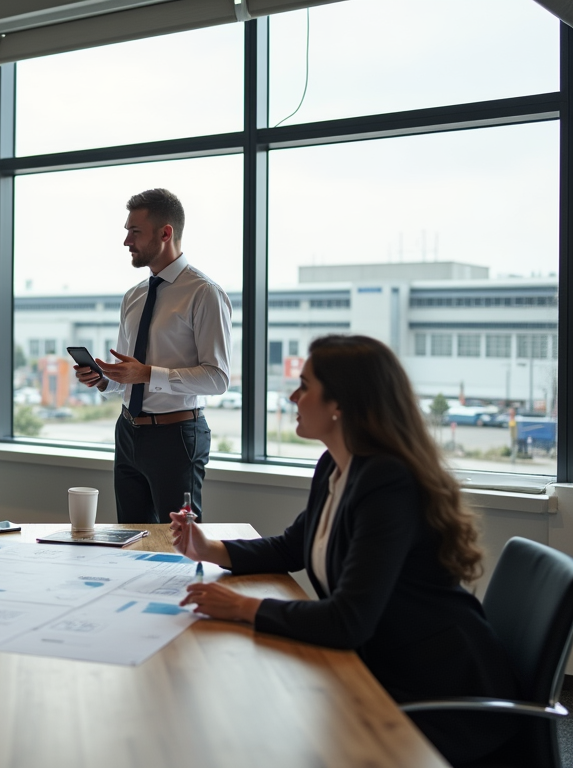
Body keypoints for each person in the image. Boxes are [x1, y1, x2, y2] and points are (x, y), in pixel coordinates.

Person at [170, 334, 520, 766]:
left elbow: (348, 621)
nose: (294, 396)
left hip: (436, 688)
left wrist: (242, 607)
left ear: (341, 404)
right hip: (382, 663)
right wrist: (209, 547)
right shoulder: (336, 464)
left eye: (305, 386)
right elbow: (293, 547)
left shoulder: (387, 482)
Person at [75, 189, 232, 523]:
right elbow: (129, 377)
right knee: (130, 539)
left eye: (135, 232)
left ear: (165, 233)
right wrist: (105, 379)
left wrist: (147, 374)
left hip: (176, 438)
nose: (126, 241)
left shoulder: (204, 293)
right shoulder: (134, 296)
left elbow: (217, 378)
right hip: (128, 432)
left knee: (179, 547)